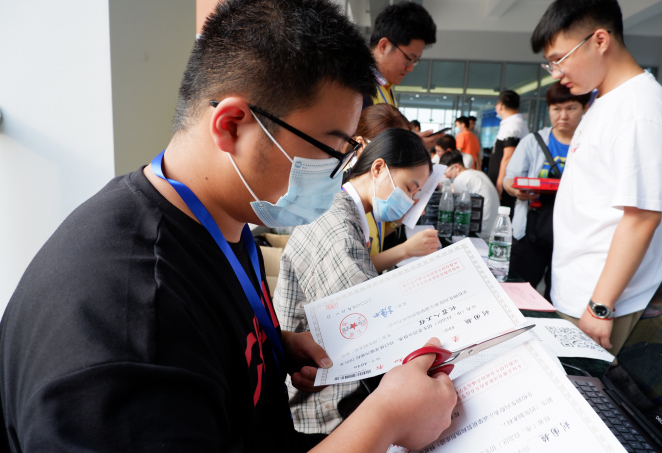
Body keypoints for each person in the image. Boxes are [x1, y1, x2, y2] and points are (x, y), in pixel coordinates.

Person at [0, 1, 458, 452]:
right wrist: (386, 419)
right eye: (330, 150)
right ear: (232, 125)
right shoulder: (130, 331)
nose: (339, 172)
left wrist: (274, 346)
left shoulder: (225, 222)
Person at [532, 0, 662, 354]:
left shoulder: (638, 109)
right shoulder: (604, 100)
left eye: (560, 59)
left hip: (608, 305)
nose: (556, 73)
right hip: (581, 291)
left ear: (600, 40)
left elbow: (641, 217)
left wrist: (600, 305)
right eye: (550, 63)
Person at [274, 128, 440, 434]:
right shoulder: (337, 225)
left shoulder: (350, 211)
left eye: (416, 194)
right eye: (409, 188)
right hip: (319, 406)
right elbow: (367, 321)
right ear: (378, 168)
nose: (411, 200)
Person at [503, 82, 590, 299]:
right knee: (519, 292)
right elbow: (509, 179)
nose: (563, 116)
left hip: (574, 233)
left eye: (571, 108)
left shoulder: (591, 143)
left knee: (562, 295)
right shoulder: (533, 141)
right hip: (531, 229)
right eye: (556, 109)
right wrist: (516, 191)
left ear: (585, 108)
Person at [347, 104, 437, 263]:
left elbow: (374, 236)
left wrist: (397, 220)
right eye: (390, 144)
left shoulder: (371, 196)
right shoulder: (347, 202)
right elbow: (356, 267)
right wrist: (405, 250)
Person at [366, 1, 442, 149]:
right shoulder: (354, 85)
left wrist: (412, 141)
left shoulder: (385, 86)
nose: (411, 68)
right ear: (384, 46)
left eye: (415, 61)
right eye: (409, 58)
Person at [440, 151, 500, 240]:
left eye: (445, 172)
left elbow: (459, 210)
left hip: (479, 231)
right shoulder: (477, 173)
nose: (445, 176)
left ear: (456, 167)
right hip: (492, 228)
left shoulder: (460, 179)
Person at [486, 90, 529, 212]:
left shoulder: (513, 124)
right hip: (503, 181)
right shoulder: (511, 123)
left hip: (506, 184)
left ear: (500, 106)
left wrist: (500, 183)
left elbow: (508, 156)